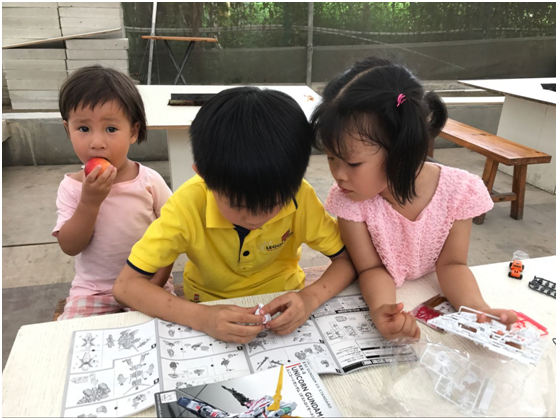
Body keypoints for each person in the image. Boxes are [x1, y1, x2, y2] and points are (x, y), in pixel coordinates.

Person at [113, 87, 356, 343]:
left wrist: (309, 298)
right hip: (207, 306)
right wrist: (201, 317)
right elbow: (126, 286)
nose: (255, 219)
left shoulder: (300, 196)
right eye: (238, 205)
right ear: (203, 175)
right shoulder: (187, 205)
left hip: (284, 302)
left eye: (274, 203)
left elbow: (347, 260)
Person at [311, 57, 517, 340]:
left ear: (402, 151)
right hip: (390, 294)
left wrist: (477, 309)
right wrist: (384, 311)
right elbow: (371, 268)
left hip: (430, 292)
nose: (338, 175)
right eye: (331, 158)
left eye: (352, 163)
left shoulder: (458, 190)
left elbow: (453, 265)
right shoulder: (351, 201)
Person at [53, 65, 174, 320]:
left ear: (133, 131)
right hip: (93, 290)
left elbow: (174, 231)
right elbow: (70, 246)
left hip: (147, 282)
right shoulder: (72, 187)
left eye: (110, 129)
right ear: (67, 130)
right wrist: (89, 203)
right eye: (83, 129)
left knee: (162, 334)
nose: (97, 142)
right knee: (74, 337)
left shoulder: (148, 181)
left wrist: (159, 280)